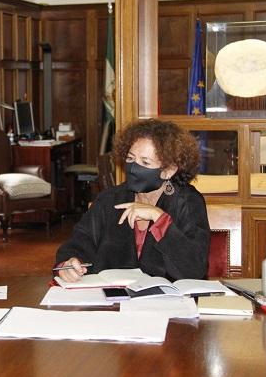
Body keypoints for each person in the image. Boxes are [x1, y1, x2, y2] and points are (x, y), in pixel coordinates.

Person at [55, 119, 209, 282]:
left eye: (145, 162)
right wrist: (69, 263)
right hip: (112, 300)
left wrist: (159, 218)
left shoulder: (187, 203)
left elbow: (194, 269)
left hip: (167, 302)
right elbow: (80, 241)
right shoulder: (110, 199)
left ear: (169, 170)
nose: (134, 168)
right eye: (130, 159)